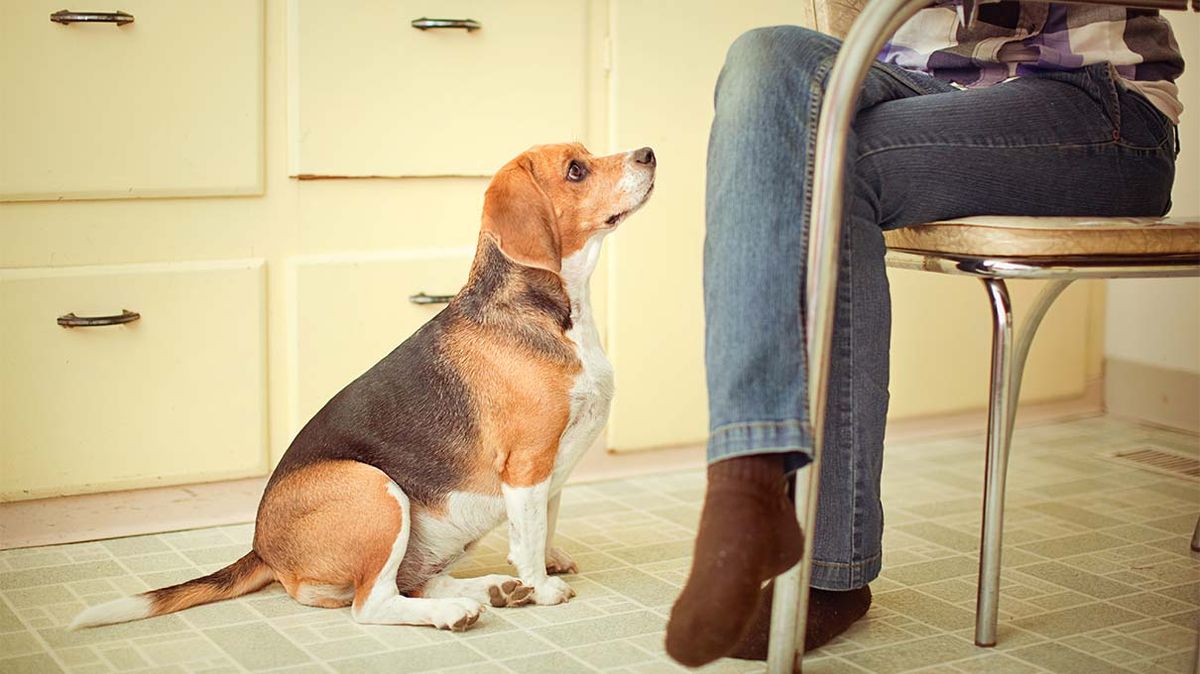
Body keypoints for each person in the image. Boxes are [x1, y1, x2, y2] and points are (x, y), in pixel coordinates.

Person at [664, 2, 1183, 667]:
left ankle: (828, 565)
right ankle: (748, 484)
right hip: (914, 79)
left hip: (1093, 98)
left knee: (831, 164)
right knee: (767, 54)